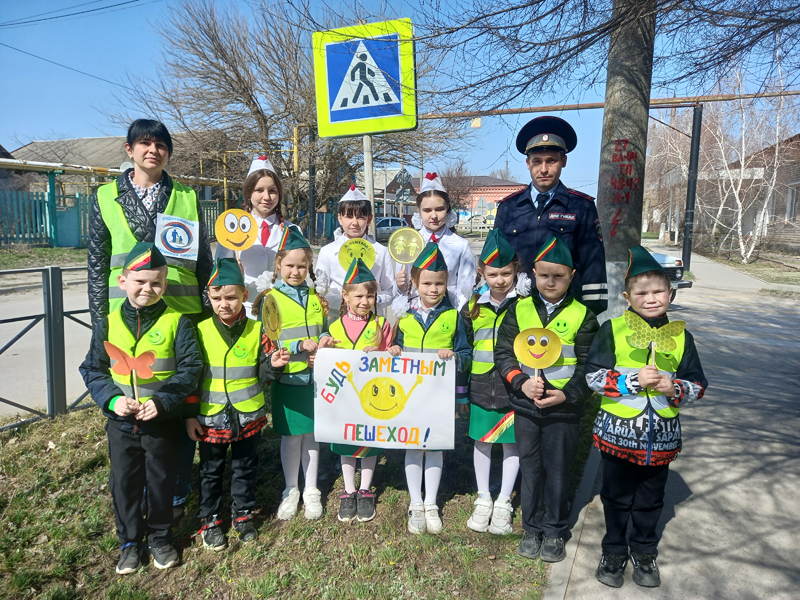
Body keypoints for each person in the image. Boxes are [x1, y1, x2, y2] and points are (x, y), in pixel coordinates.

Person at [585, 246, 707, 588]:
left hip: (661, 439)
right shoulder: (612, 330)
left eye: (658, 291)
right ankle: (613, 551)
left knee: (652, 499)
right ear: (627, 297)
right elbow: (593, 377)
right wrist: (631, 380)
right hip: (617, 437)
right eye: (642, 293)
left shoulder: (682, 337)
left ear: (670, 293)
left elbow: (699, 385)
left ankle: (644, 551)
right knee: (616, 497)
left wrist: (675, 387)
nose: (651, 299)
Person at [79, 243, 203, 574]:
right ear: (123, 281)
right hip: (121, 424)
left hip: (161, 422)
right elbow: (92, 369)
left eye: (156, 283)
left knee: (162, 481)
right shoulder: (107, 323)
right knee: (125, 483)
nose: (148, 289)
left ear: (165, 284)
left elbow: (191, 369)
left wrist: (163, 402)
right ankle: (130, 543)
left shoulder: (178, 322)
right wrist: (112, 399)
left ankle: (160, 538)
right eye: (140, 282)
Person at [494, 235, 599, 562]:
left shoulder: (584, 316)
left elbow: (590, 366)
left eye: (558, 275)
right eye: (543, 275)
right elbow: (503, 354)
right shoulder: (519, 310)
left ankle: (554, 529)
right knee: (531, 467)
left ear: (571, 275)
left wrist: (567, 395)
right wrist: (521, 383)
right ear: (533, 274)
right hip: (526, 408)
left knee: (557, 469)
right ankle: (531, 526)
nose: (550, 282)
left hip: (563, 412)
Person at [184, 259, 290, 550]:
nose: (223, 304)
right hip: (210, 418)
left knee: (245, 467)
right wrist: (190, 415)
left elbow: (263, 373)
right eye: (216, 298)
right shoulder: (199, 330)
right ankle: (211, 520)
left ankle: (243, 515)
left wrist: (275, 365)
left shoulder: (258, 331)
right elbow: (191, 377)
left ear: (244, 295)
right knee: (210, 470)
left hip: (248, 418)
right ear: (208, 297)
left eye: (230, 297)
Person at [88, 119, 213, 325]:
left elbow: (204, 262)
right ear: (129, 149)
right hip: (125, 312)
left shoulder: (187, 196)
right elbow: (97, 265)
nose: (153, 150)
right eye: (145, 143)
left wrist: (208, 315)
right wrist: (99, 323)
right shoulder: (105, 196)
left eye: (161, 145)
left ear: (169, 154)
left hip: (182, 313)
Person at [251, 226, 335, 520]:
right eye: (290, 265)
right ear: (278, 265)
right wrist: (298, 345)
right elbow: (267, 338)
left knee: (311, 435)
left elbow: (323, 330)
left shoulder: (315, 298)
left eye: (302, 266)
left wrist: (324, 341)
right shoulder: (271, 298)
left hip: (315, 380)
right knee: (290, 436)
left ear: (309, 266)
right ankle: (291, 488)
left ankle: (311, 489)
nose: (296, 271)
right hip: (288, 379)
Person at [389, 242, 472, 534]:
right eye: (426, 283)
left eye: (439, 283)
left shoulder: (453, 317)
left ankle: (432, 502)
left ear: (446, 283)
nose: (433, 289)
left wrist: (455, 359)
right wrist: (395, 348)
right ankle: (415, 502)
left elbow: (466, 354)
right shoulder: (405, 315)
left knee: (434, 447)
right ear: (415, 283)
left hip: (440, 397)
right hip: (410, 397)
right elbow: (393, 345)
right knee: (414, 447)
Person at [494, 116, 608, 316]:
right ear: (528, 163)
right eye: (537, 162)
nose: (544, 169)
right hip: (516, 310)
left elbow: (593, 263)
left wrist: (587, 316)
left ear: (563, 161)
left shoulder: (582, 206)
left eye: (551, 161)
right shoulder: (508, 207)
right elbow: (496, 260)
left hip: (566, 311)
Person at [318, 258, 393, 523]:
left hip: (373, 397)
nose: (364, 301)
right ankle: (349, 490)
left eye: (370, 296)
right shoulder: (335, 327)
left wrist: (387, 351)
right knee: (346, 441)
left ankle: (366, 488)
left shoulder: (381, 324)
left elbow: (391, 361)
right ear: (345, 296)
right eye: (358, 295)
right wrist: (322, 349)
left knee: (368, 441)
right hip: (344, 399)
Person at [462, 229, 524, 535]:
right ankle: (483, 496)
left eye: (506, 273)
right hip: (480, 389)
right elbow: (465, 347)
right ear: (481, 273)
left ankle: (503, 501)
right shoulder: (472, 308)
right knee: (482, 442)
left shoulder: (525, 306)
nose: (500, 280)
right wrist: (462, 394)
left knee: (512, 444)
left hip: (513, 388)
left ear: (515, 271)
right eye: (493, 274)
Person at [216, 155, 293, 319]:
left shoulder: (292, 230)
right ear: (248, 193)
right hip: (244, 310)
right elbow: (220, 277)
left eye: (272, 191)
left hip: (283, 310)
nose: (266, 197)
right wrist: (236, 275)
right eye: (259, 190)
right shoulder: (230, 231)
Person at [315, 184, 397, 319]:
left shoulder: (381, 252)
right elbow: (320, 291)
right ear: (340, 219)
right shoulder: (327, 252)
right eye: (348, 216)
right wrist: (345, 301)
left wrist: (372, 301)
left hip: (371, 319)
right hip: (338, 318)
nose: (354, 223)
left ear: (369, 219)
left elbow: (390, 290)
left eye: (360, 217)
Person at [396, 173, 476, 309]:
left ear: (447, 208)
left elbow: (465, 289)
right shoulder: (409, 243)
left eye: (439, 209)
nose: (434, 216)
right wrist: (399, 286)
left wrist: (455, 314)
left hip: (449, 312)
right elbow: (401, 291)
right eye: (427, 210)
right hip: (415, 313)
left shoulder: (461, 246)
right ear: (419, 211)